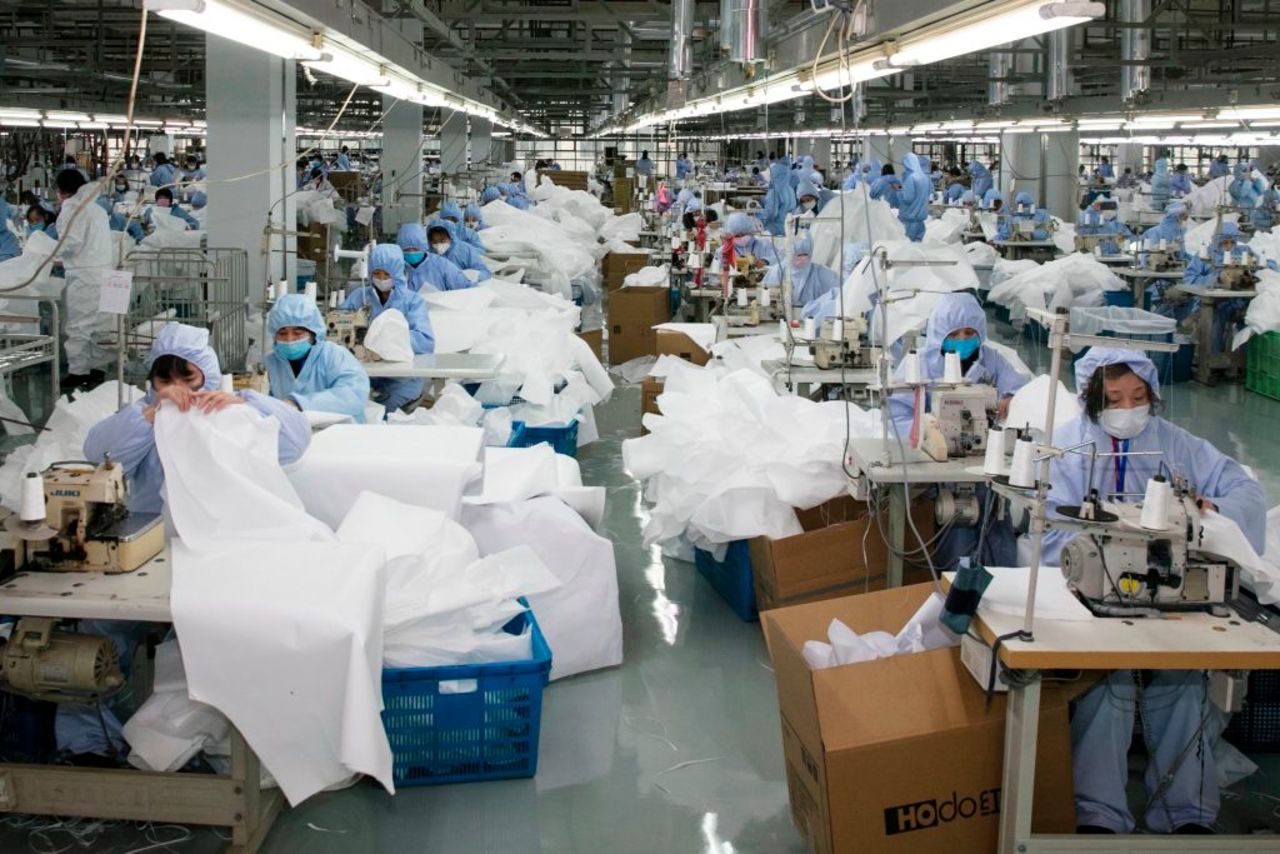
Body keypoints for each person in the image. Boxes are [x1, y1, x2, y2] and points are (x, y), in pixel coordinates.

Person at [1041, 347, 1264, 836]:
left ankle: (1186, 815)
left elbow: (1247, 493)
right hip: (1095, 598)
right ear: (1093, 401)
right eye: (1115, 398)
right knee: (1108, 684)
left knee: (1186, 685)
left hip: (1169, 597)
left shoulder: (1176, 445)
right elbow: (1045, 529)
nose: (1128, 409)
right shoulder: (1067, 449)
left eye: (1138, 396)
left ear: (1154, 396)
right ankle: (1099, 814)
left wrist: (1212, 508)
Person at [68, 323, 310, 763]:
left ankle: (201, 738)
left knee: (212, 635)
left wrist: (245, 402)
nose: (178, 389)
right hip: (151, 549)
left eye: (189, 377)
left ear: (208, 375)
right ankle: (88, 744)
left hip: (218, 551)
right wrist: (148, 416)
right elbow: (97, 451)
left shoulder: (229, 411)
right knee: (99, 632)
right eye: (166, 380)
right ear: (152, 381)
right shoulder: (144, 415)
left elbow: (295, 442)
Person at [888, 293, 1027, 568]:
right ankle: (951, 582)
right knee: (952, 527)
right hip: (938, 469)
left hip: (985, 460)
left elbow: (1021, 391)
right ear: (940, 333)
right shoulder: (922, 364)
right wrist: (928, 429)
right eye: (955, 333)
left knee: (993, 518)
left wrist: (1011, 399)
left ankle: (995, 585)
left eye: (970, 332)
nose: (963, 340)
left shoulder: (992, 360)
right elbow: (897, 413)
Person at [341, 244, 434, 413]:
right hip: (364, 374)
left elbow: (425, 340)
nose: (381, 278)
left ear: (397, 272)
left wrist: (386, 341)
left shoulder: (412, 301)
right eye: (376, 273)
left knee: (382, 414)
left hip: (401, 378)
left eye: (386, 274)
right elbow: (340, 327)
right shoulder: (359, 297)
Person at [265, 294, 370, 423]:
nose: (290, 339)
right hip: (295, 434)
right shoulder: (271, 363)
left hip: (341, 433)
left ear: (313, 333)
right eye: (282, 333)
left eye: (298, 333)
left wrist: (298, 404)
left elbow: (354, 394)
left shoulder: (334, 355)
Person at [55, 170, 114, 386]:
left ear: (62, 190)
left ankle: (78, 372)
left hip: (84, 275)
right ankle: (98, 368)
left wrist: (53, 252)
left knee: (80, 324)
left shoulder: (73, 208)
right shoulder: (97, 209)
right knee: (101, 324)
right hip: (104, 272)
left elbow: (71, 243)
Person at [1179, 222, 1252, 351]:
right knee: (1215, 318)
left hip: (1239, 303)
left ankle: (1246, 362)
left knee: (1251, 318)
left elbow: (1267, 264)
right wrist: (1213, 279)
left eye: (1232, 242)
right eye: (1225, 242)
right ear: (1217, 241)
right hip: (1213, 303)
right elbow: (1189, 280)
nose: (1229, 246)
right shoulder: (1205, 255)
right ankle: (1213, 361)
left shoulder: (1244, 252)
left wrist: (1256, 267)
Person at [762, 233, 840, 307]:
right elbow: (764, 296)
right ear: (789, 253)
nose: (803, 259)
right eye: (799, 255)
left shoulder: (819, 273)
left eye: (806, 255)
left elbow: (843, 288)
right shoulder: (777, 272)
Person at [397, 223, 473, 292]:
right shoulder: (398, 268)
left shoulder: (442, 266)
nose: (411, 252)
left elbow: (467, 288)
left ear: (423, 246)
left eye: (415, 249)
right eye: (406, 250)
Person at [426, 220, 491, 281]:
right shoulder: (429, 255)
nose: (438, 245)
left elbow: (484, 272)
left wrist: (471, 275)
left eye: (442, 240)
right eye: (434, 242)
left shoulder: (464, 250)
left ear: (451, 237)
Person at [898, 153, 931, 242]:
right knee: (918, 247)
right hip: (920, 219)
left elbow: (908, 198)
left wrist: (899, 192)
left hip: (910, 218)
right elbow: (928, 194)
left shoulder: (911, 178)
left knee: (907, 248)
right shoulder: (924, 177)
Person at [761, 160, 796, 236]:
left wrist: (758, 214)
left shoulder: (774, 191)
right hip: (787, 229)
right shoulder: (790, 189)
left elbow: (771, 213)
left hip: (774, 231)